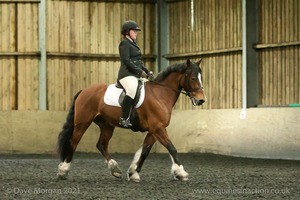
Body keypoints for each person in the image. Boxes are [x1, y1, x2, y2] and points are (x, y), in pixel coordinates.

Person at [117, 20, 153, 128]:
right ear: (127, 32)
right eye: (134, 31)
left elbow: (139, 62)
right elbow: (127, 61)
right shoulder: (124, 43)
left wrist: (147, 71)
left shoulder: (133, 44)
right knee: (132, 89)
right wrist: (140, 72)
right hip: (126, 75)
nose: (136, 33)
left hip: (135, 74)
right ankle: (124, 118)